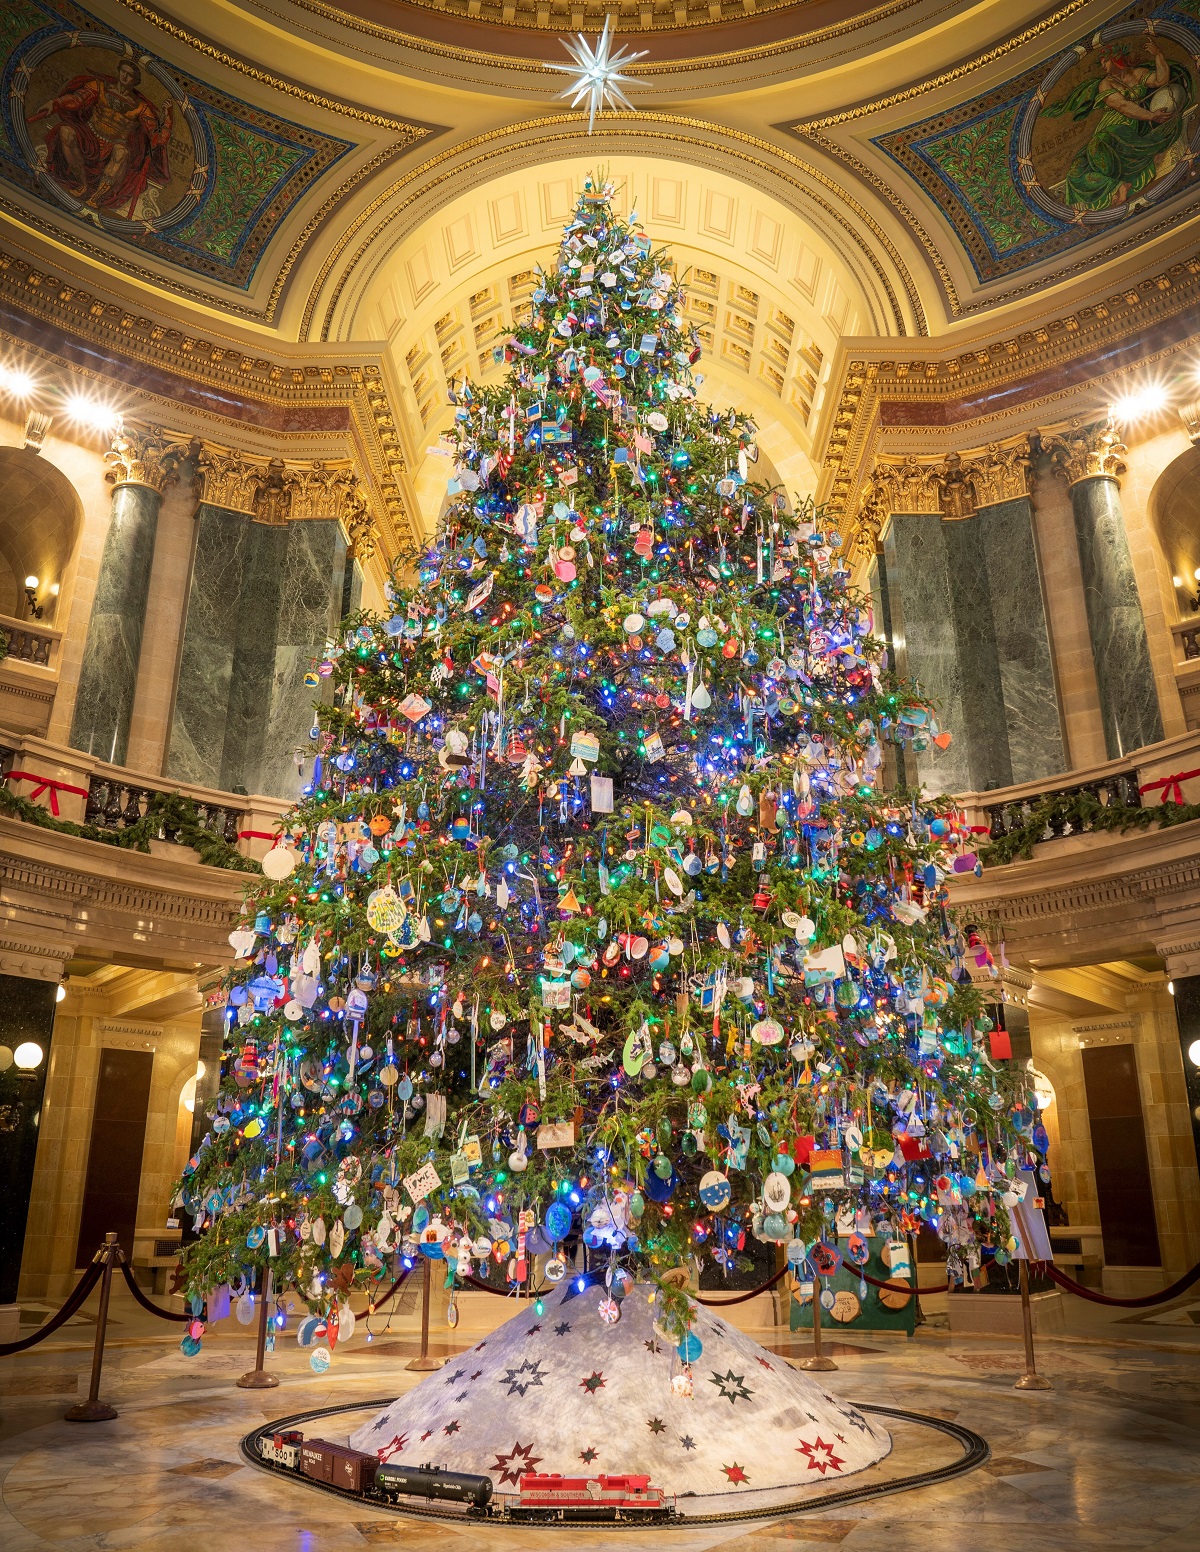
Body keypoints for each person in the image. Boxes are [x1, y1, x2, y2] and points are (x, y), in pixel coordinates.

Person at [1041, 34, 1195, 211]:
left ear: (1115, 59)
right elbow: (1121, 105)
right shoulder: (1105, 83)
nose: (1102, 65)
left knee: (1100, 142)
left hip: (1126, 128)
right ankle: (1118, 185)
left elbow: (1161, 80)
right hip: (1107, 129)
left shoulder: (1138, 74)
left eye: (1105, 61)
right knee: (1075, 172)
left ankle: (1120, 185)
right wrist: (1151, 116)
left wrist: (1158, 54)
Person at [27, 57, 172, 217]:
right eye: (123, 71)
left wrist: (167, 120)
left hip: (116, 142)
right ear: (118, 71)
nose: (124, 76)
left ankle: (95, 198)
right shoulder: (99, 87)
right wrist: (56, 103)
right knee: (66, 131)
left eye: (129, 75)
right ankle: (82, 183)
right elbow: (77, 100)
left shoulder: (141, 108)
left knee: (121, 153)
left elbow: (157, 139)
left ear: (135, 81)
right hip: (90, 134)